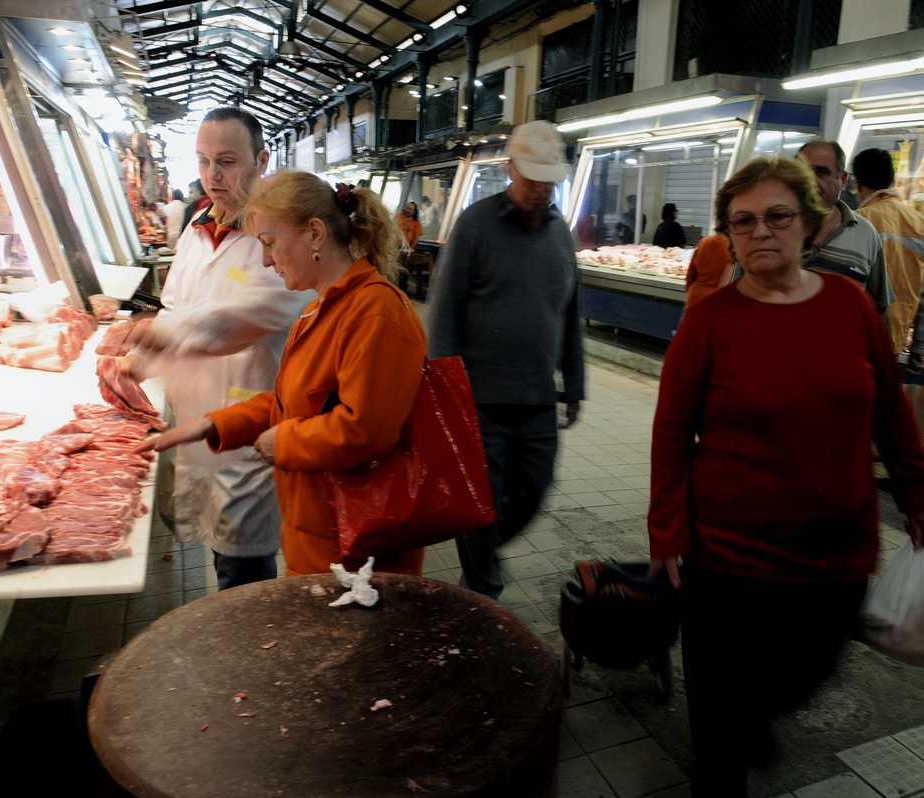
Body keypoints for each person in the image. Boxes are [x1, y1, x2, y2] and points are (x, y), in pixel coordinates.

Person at [648, 156, 924, 796]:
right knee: (719, 725)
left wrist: (917, 490)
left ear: (810, 223)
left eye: (777, 216)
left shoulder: (849, 305)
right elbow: (671, 433)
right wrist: (666, 533)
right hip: (727, 556)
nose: (760, 232)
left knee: (808, 670)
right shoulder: (710, 321)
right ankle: (727, 749)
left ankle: (751, 715)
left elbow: (889, 405)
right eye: (743, 221)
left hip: (832, 550)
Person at [137, 173, 427, 577]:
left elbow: (365, 430)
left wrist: (283, 441)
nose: (265, 261)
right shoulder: (320, 307)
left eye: (270, 243)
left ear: (315, 234)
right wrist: (213, 425)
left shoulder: (375, 313)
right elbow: (289, 400)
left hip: (361, 559)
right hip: (320, 544)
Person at [122, 107, 313, 591]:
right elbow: (173, 308)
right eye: (204, 161)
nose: (213, 175)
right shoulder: (197, 226)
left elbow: (249, 316)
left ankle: (252, 660)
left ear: (262, 159)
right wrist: (138, 362)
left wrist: (160, 335)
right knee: (218, 561)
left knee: (243, 572)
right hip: (195, 423)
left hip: (247, 428)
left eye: (227, 161)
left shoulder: (277, 235)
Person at [427, 119, 585, 600]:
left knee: (533, 490)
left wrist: (574, 385)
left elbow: (570, 314)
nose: (540, 189)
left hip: (537, 398)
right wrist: (444, 388)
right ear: (511, 169)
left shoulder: (561, 235)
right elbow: (445, 310)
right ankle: (480, 589)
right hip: (479, 400)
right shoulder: (476, 225)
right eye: (531, 177)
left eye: (548, 180)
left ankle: (482, 556)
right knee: (482, 502)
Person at [852, 148, 924, 377]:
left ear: (856, 182)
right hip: (892, 345)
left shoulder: (858, 221)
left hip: (855, 342)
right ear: (892, 180)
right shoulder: (922, 225)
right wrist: (921, 347)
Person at [796, 139, 895, 322]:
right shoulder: (774, 228)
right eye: (802, 172)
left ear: (842, 180)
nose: (810, 181)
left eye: (822, 172)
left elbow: (879, 311)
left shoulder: (866, 234)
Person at [683, 233, 734, 309]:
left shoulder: (704, 241)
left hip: (696, 297)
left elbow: (690, 274)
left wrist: (689, 291)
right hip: (718, 301)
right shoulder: (734, 247)